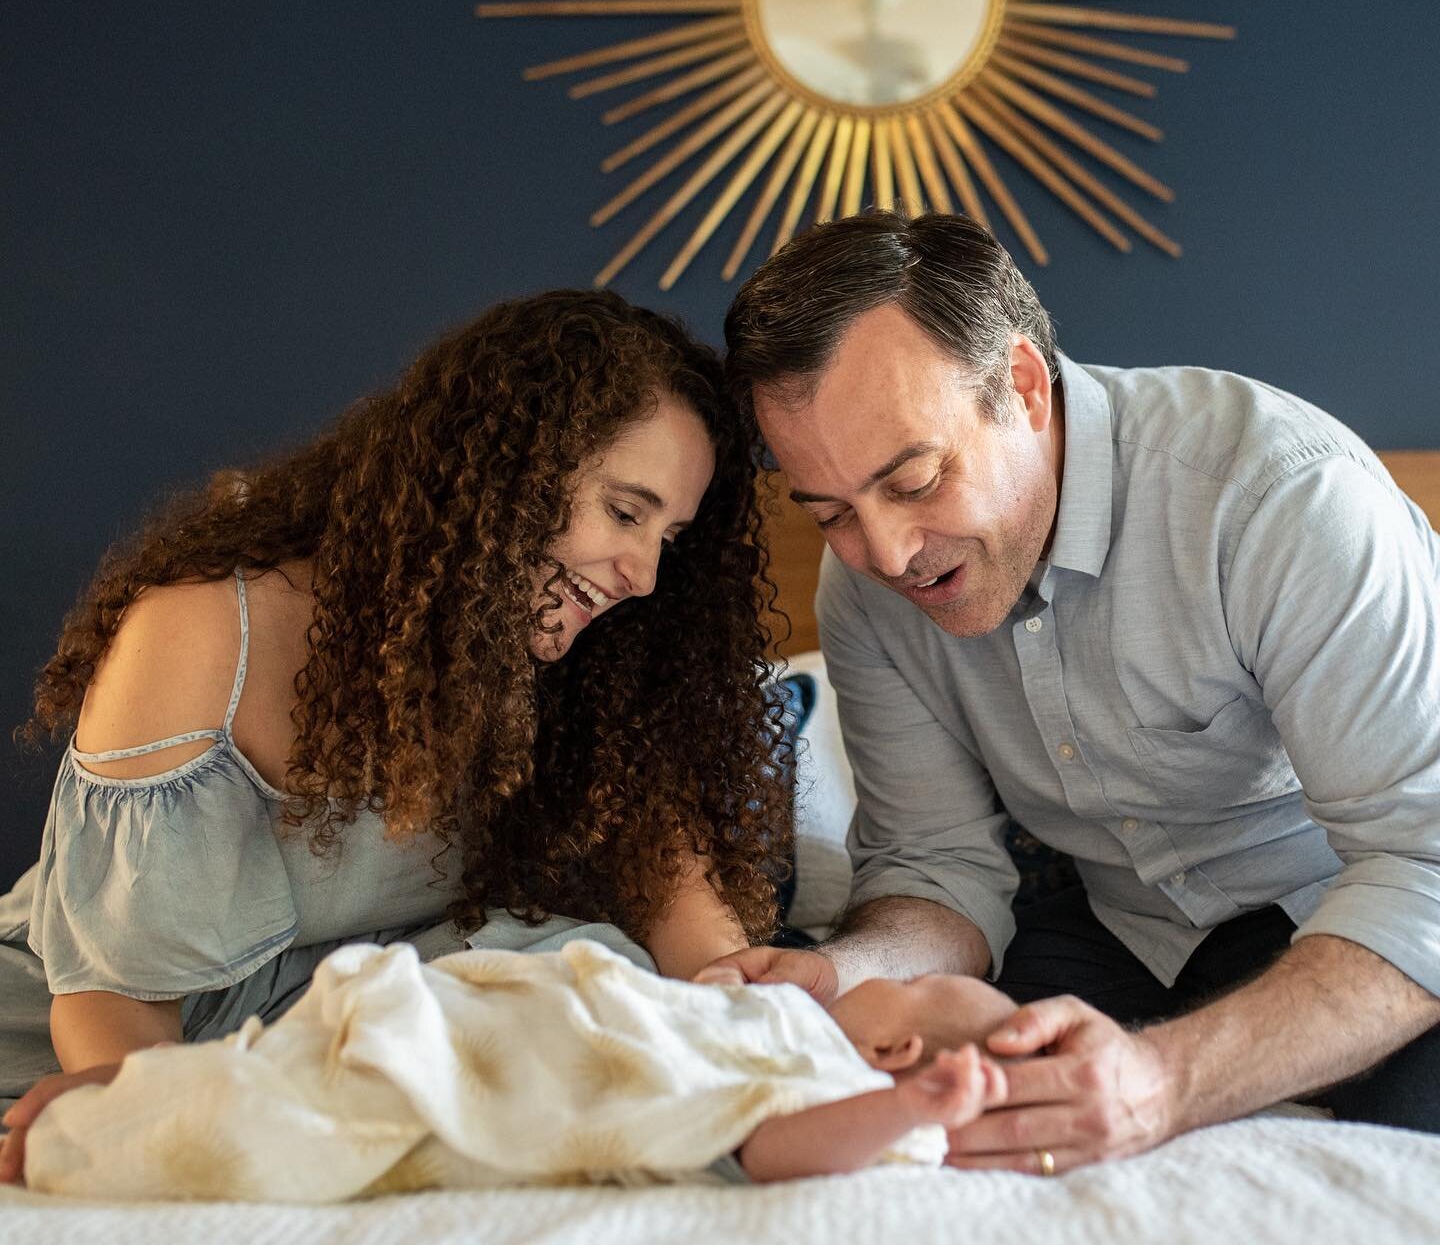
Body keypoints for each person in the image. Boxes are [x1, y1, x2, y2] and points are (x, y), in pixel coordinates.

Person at [701, 210, 1440, 1173]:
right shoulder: (863, 592)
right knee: (879, 1101)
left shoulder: (1278, 500)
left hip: (1348, 909)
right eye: (833, 513)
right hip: (1118, 929)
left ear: (1022, 388)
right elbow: (938, 868)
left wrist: (1165, 1080)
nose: (886, 554)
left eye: (916, 479)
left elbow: (1425, 867)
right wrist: (841, 973)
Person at [0, 289, 791, 1183]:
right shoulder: (206, 633)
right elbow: (112, 994)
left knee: (599, 977)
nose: (644, 575)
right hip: (110, 1039)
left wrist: (753, 1017)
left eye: (669, 538)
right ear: (504, 472)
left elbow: (681, 901)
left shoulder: (583, 673)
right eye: (622, 512)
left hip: (335, 1027)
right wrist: (169, 1129)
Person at [22, 937, 1015, 1199]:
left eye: (911, 989)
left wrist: (913, 1111)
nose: (870, 983)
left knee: (274, 1111)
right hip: (508, 1025)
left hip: (486, 1081)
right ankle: (117, 1094)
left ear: (896, 1050)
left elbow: (769, 1148)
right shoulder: (782, 1022)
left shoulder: (827, 1082)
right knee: (278, 1068)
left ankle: (68, 1145)